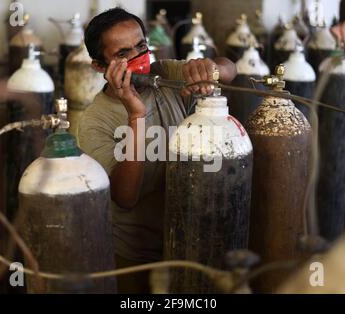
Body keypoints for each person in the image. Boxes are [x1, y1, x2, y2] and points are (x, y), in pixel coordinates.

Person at [78, 7, 237, 293]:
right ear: (100, 67)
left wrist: (211, 68)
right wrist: (135, 116)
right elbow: (125, 197)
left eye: (141, 46)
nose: (139, 59)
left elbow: (230, 69)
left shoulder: (166, 75)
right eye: (123, 54)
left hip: (187, 244)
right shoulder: (94, 121)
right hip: (136, 257)